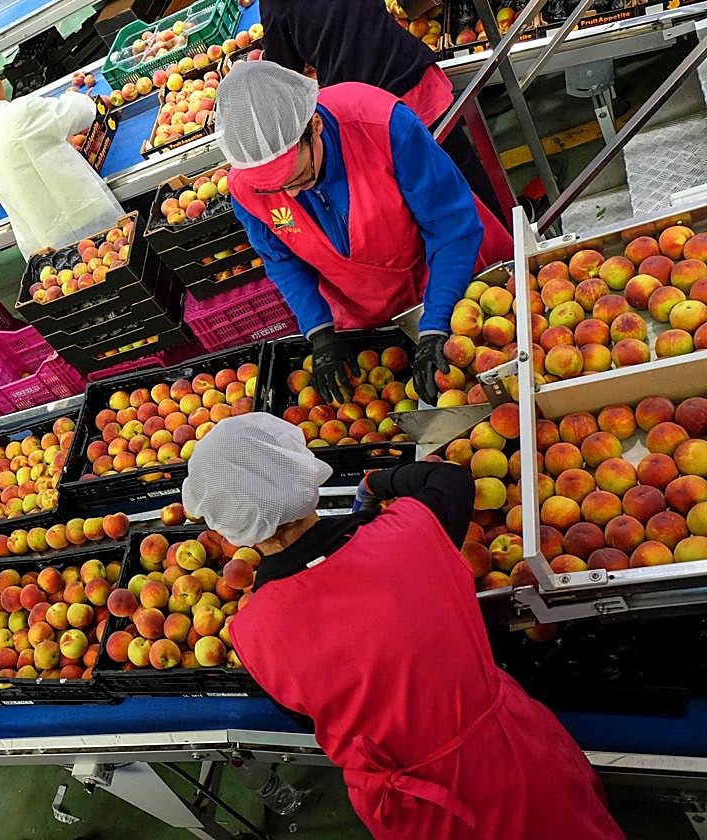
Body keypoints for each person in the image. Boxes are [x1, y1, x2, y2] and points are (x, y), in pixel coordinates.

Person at [181, 414, 625, 840]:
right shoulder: (411, 533)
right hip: (513, 759)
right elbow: (449, 480)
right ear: (302, 473)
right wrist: (378, 482)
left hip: (413, 810)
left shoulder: (254, 632)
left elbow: (306, 714)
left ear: (229, 528)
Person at [214, 61, 514, 406]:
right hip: (371, 308)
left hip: (454, 279)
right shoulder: (246, 187)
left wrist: (436, 321)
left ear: (315, 126)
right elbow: (281, 260)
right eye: (275, 189)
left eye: (299, 179)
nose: (293, 195)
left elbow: (450, 226)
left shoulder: (380, 124)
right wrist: (320, 331)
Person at [258, 0, 507, 222]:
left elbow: (282, 76)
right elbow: (416, 6)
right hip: (409, 74)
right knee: (464, 170)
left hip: (369, 110)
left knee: (421, 196)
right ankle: (508, 242)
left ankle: (481, 257)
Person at [0, 52, 125, 257]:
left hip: (42, 239)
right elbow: (81, 112)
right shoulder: (21, 112)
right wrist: (82, 99)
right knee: (116, 256)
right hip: (86, 213)